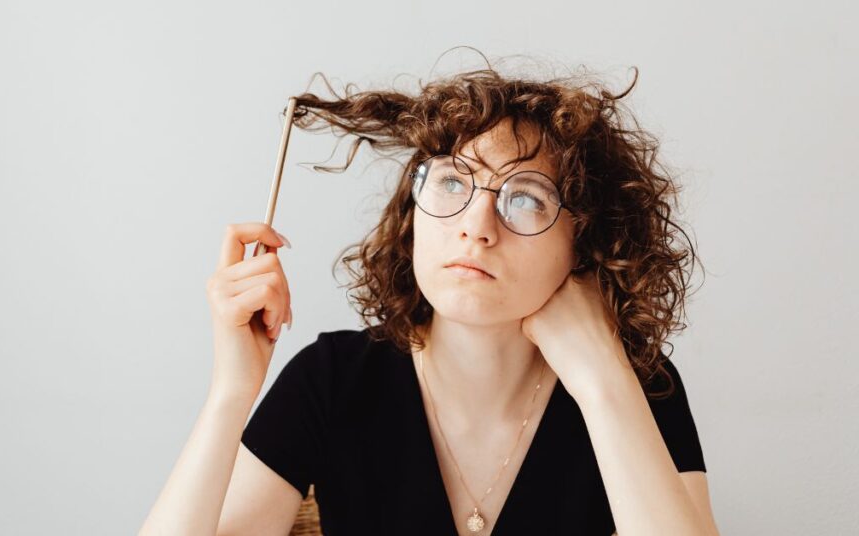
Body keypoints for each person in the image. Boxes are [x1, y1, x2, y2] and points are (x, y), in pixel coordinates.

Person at [139, 62, 720, 536]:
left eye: (526, 199)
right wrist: (231, 391)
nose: (476, 226)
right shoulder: (334, 378)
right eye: (451, 181)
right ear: (413, 212)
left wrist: (602, 380)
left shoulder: (639, 384)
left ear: (586, 242)